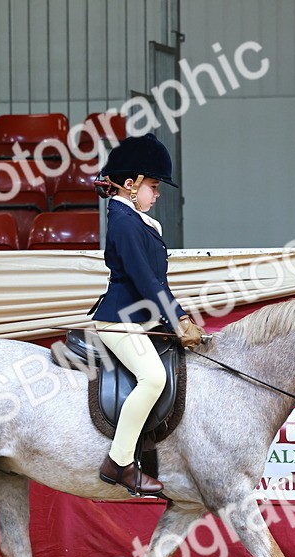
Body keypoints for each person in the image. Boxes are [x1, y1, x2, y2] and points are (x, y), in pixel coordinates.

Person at [90, 132, 206, 496]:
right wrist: (177, 319)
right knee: (153, 378)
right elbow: (145, 280)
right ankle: (119, 461)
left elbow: (157, 282)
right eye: (153, 187)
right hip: (119, 320)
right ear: (130, 184)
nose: (157, 195)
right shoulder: (123, 222)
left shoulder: (137, 220)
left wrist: (178, 318)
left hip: (142, 318)